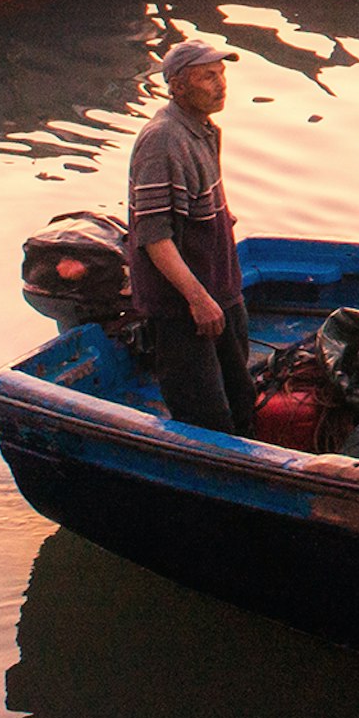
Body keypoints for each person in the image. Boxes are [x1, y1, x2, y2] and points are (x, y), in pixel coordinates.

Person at [130, 35, 252, 437]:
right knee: (206, 419)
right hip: (184, 305)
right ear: (178, 86)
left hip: (221, 288)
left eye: (221, 74)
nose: (220, 85)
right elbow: (153, 236)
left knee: (242, 399)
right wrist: (198, 299)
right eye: (206, 77)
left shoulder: (203, 129)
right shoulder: (163, 141)